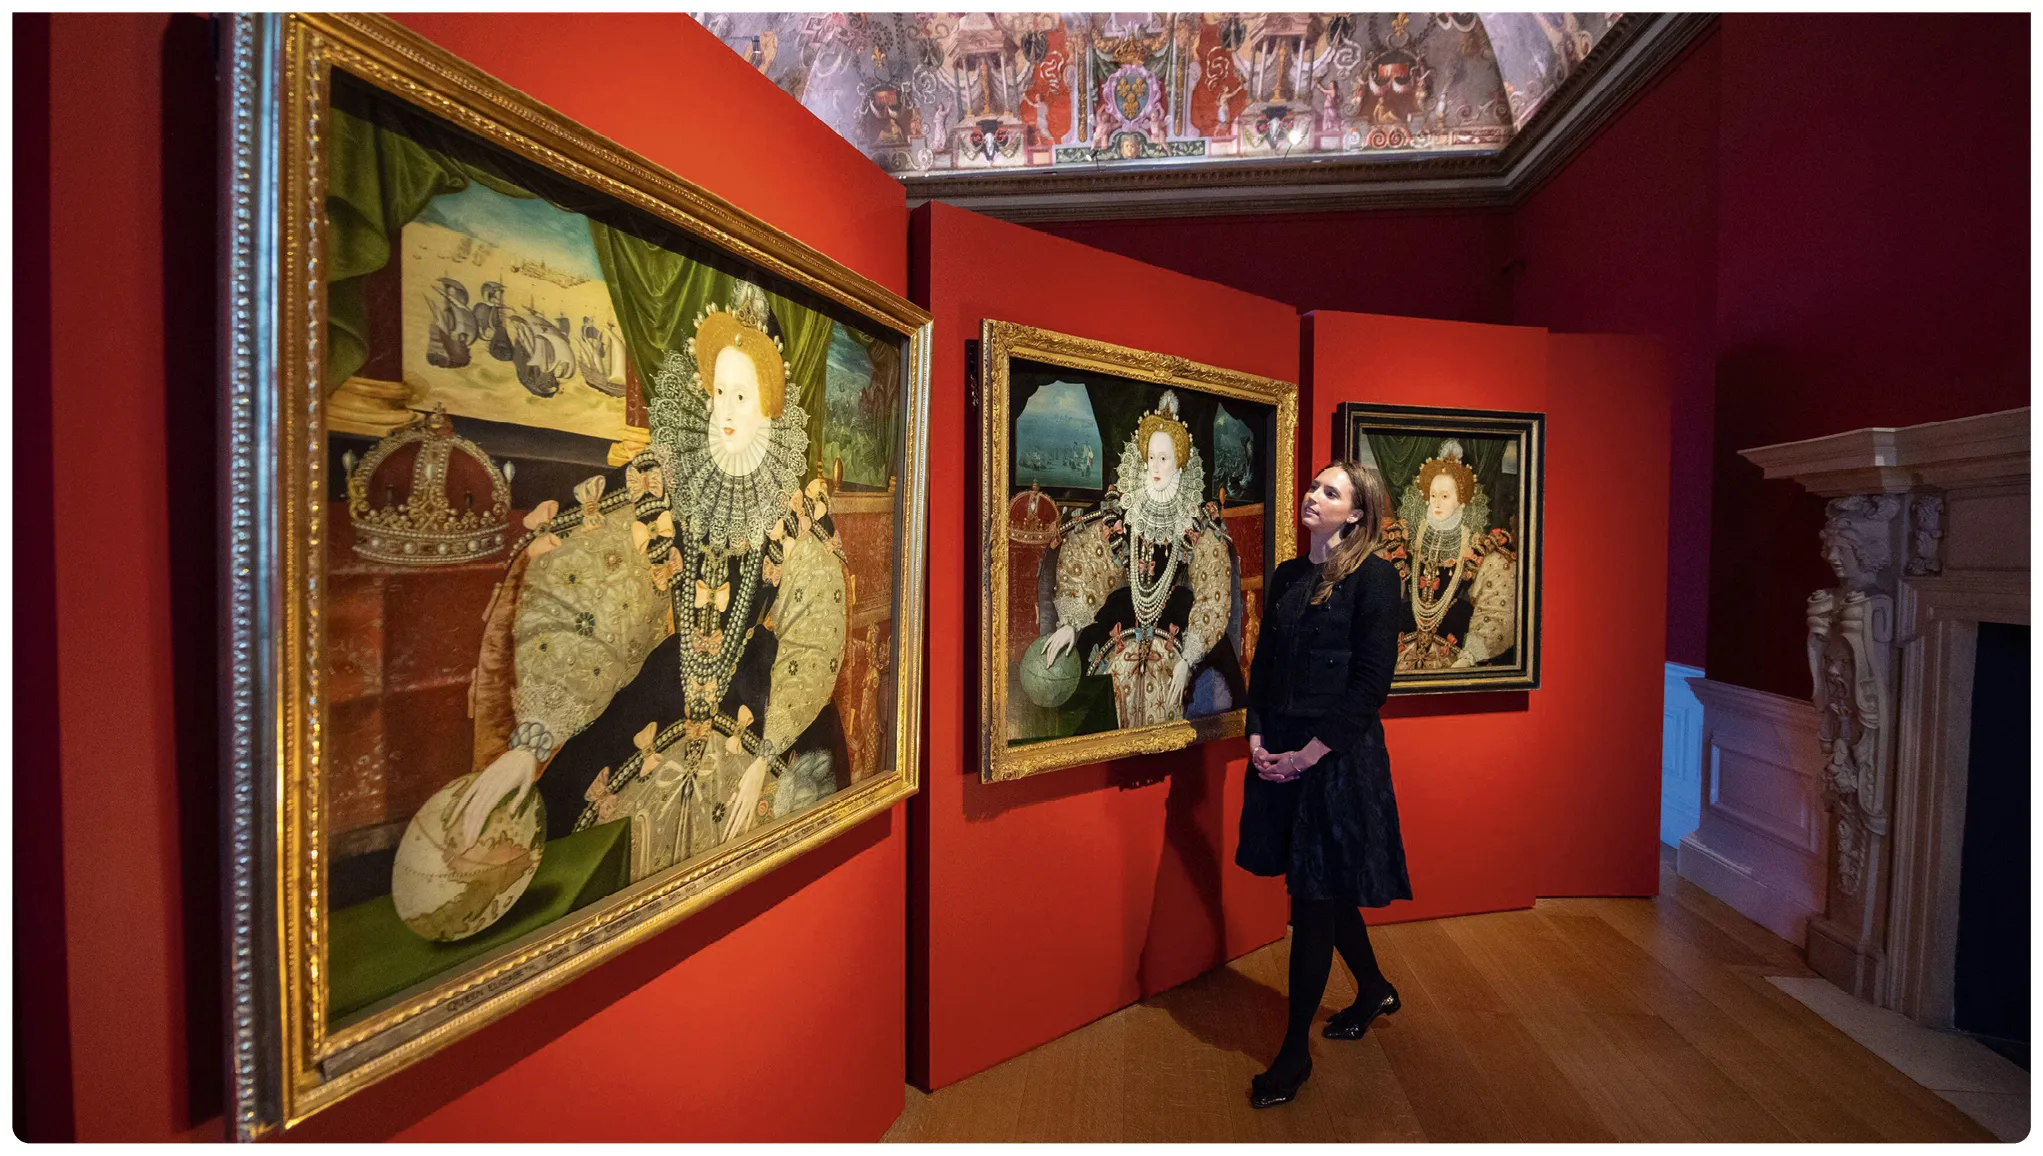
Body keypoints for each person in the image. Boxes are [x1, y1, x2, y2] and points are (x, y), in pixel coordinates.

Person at [1235, 459, 1412, 1109]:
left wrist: (1307, 755)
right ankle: (1373, 990)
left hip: (1335, 762)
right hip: (1280, 756)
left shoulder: (1375, 578)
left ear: (1356, 512)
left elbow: (1370, 686)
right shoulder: (1288, 575)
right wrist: (1256, 737)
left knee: (1311, 899)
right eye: (1313, 486)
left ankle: (1290, 1054)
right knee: (1323, 891)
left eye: (1329, 491)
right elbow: (1264, 667)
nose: (1312, 495)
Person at [1038, 390, 1242, 727]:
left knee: (1182, 676)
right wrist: (1072, 624)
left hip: (1176, 612)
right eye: (1151, 457)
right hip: (1120, 610)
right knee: (1106, 675)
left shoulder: (1196, 521)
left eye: (1165, 458)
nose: (1156, 466)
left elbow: (1212, 590)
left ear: (1179, 461)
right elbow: (1090, 565)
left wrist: (1189, 658)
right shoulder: (1121, 510)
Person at [1386, 439, 1517, 670]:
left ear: (1461, 501)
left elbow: (1495, 610)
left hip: (1452, 661)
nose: (1436, 502)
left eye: (1445, 496)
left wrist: (1469, 656)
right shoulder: (1405, 544)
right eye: (1433, 495)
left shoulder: (1480, 551)